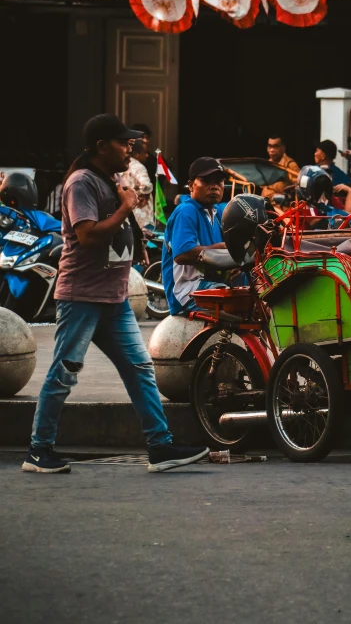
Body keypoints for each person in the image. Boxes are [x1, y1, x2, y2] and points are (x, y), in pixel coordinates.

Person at [22, 114, 208, 474]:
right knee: (64, 372)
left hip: (114, 297)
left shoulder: (112, 178)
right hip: (82, 297)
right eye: (123, 143)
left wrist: (134, 232)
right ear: (101, 146)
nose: (130, 147)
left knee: (140, 368)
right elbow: (88, 234)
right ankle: (38, 450)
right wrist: (125, 207)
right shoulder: (81, 183)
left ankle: (160, 446)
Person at [162, 157, 229, 316]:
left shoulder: (217, 212)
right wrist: (222, 250)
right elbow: (183, 254)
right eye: (206, 181)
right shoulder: (187, 211)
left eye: (219, 182)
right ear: (191, 185)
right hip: (186, 291)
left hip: (209, 284)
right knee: (240, 303)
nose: (214, 186)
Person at [118, 139, 154, 229]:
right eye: (145, 152)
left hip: (128, 216)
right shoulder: (138, 167)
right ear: (137, 153)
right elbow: (146, 185)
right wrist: (143, 193)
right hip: (143, 217)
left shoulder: (121, 165)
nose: (147, 155)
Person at [261, 135, 300, 201]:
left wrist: (284, 197)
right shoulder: (267, 163)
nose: (271, 150)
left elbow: (298, 188)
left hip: (282, 208)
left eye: (275, 146)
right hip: (265, 205)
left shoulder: (290, 165)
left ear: (283, 147)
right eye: (269, 146)